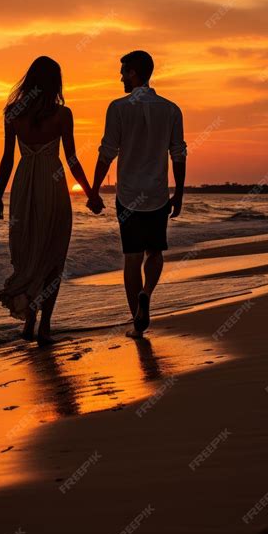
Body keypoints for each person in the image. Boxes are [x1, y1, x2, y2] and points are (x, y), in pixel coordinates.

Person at [0, 56, 99, 345]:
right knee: (52, 256)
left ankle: (29, 322)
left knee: (28, 253)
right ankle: (45, 326)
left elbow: (7, 159)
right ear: (56, 83)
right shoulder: (63, 115)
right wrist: (90, 193)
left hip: (23, 186)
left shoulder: (13, 113)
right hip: (52, 188)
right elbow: (72, 159)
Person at [87, 50, 187, 338]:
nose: (120, 77)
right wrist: (178, 193)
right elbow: (178, 155)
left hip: (128, 195)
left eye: (124, 72)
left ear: (134, 73)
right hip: (157, 194)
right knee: (155, 252)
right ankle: (147, 293)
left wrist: (93, 191)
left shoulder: (117, 108)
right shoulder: (171, 109)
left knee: (132, 258)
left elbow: (107, 153)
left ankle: (136, 322)